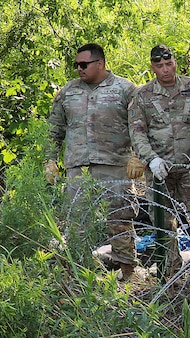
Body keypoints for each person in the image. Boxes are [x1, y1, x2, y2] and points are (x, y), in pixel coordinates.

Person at [46, 43, 140, 279]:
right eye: (77, 64)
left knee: (120, 217)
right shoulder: (69, 91)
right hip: (78, 166)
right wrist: (50, 160)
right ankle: (80, 271)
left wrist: (138, 156)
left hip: (114, 164)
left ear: (100, 64)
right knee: (77, 219)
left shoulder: (125, 89)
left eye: (84, 64)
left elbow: (140, 126)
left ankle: (127, 270)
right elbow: (54, 128)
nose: (79, 69)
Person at [129, 45, 190, 276]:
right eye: (159, 66)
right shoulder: (143, 96)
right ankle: (170, 270)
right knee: (163, 223)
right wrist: (150, 159)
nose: (165, 70)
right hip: (159, 170)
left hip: (188, 166)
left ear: (175, 62)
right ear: (152, 67)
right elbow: (137, 132)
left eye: (169, 64)